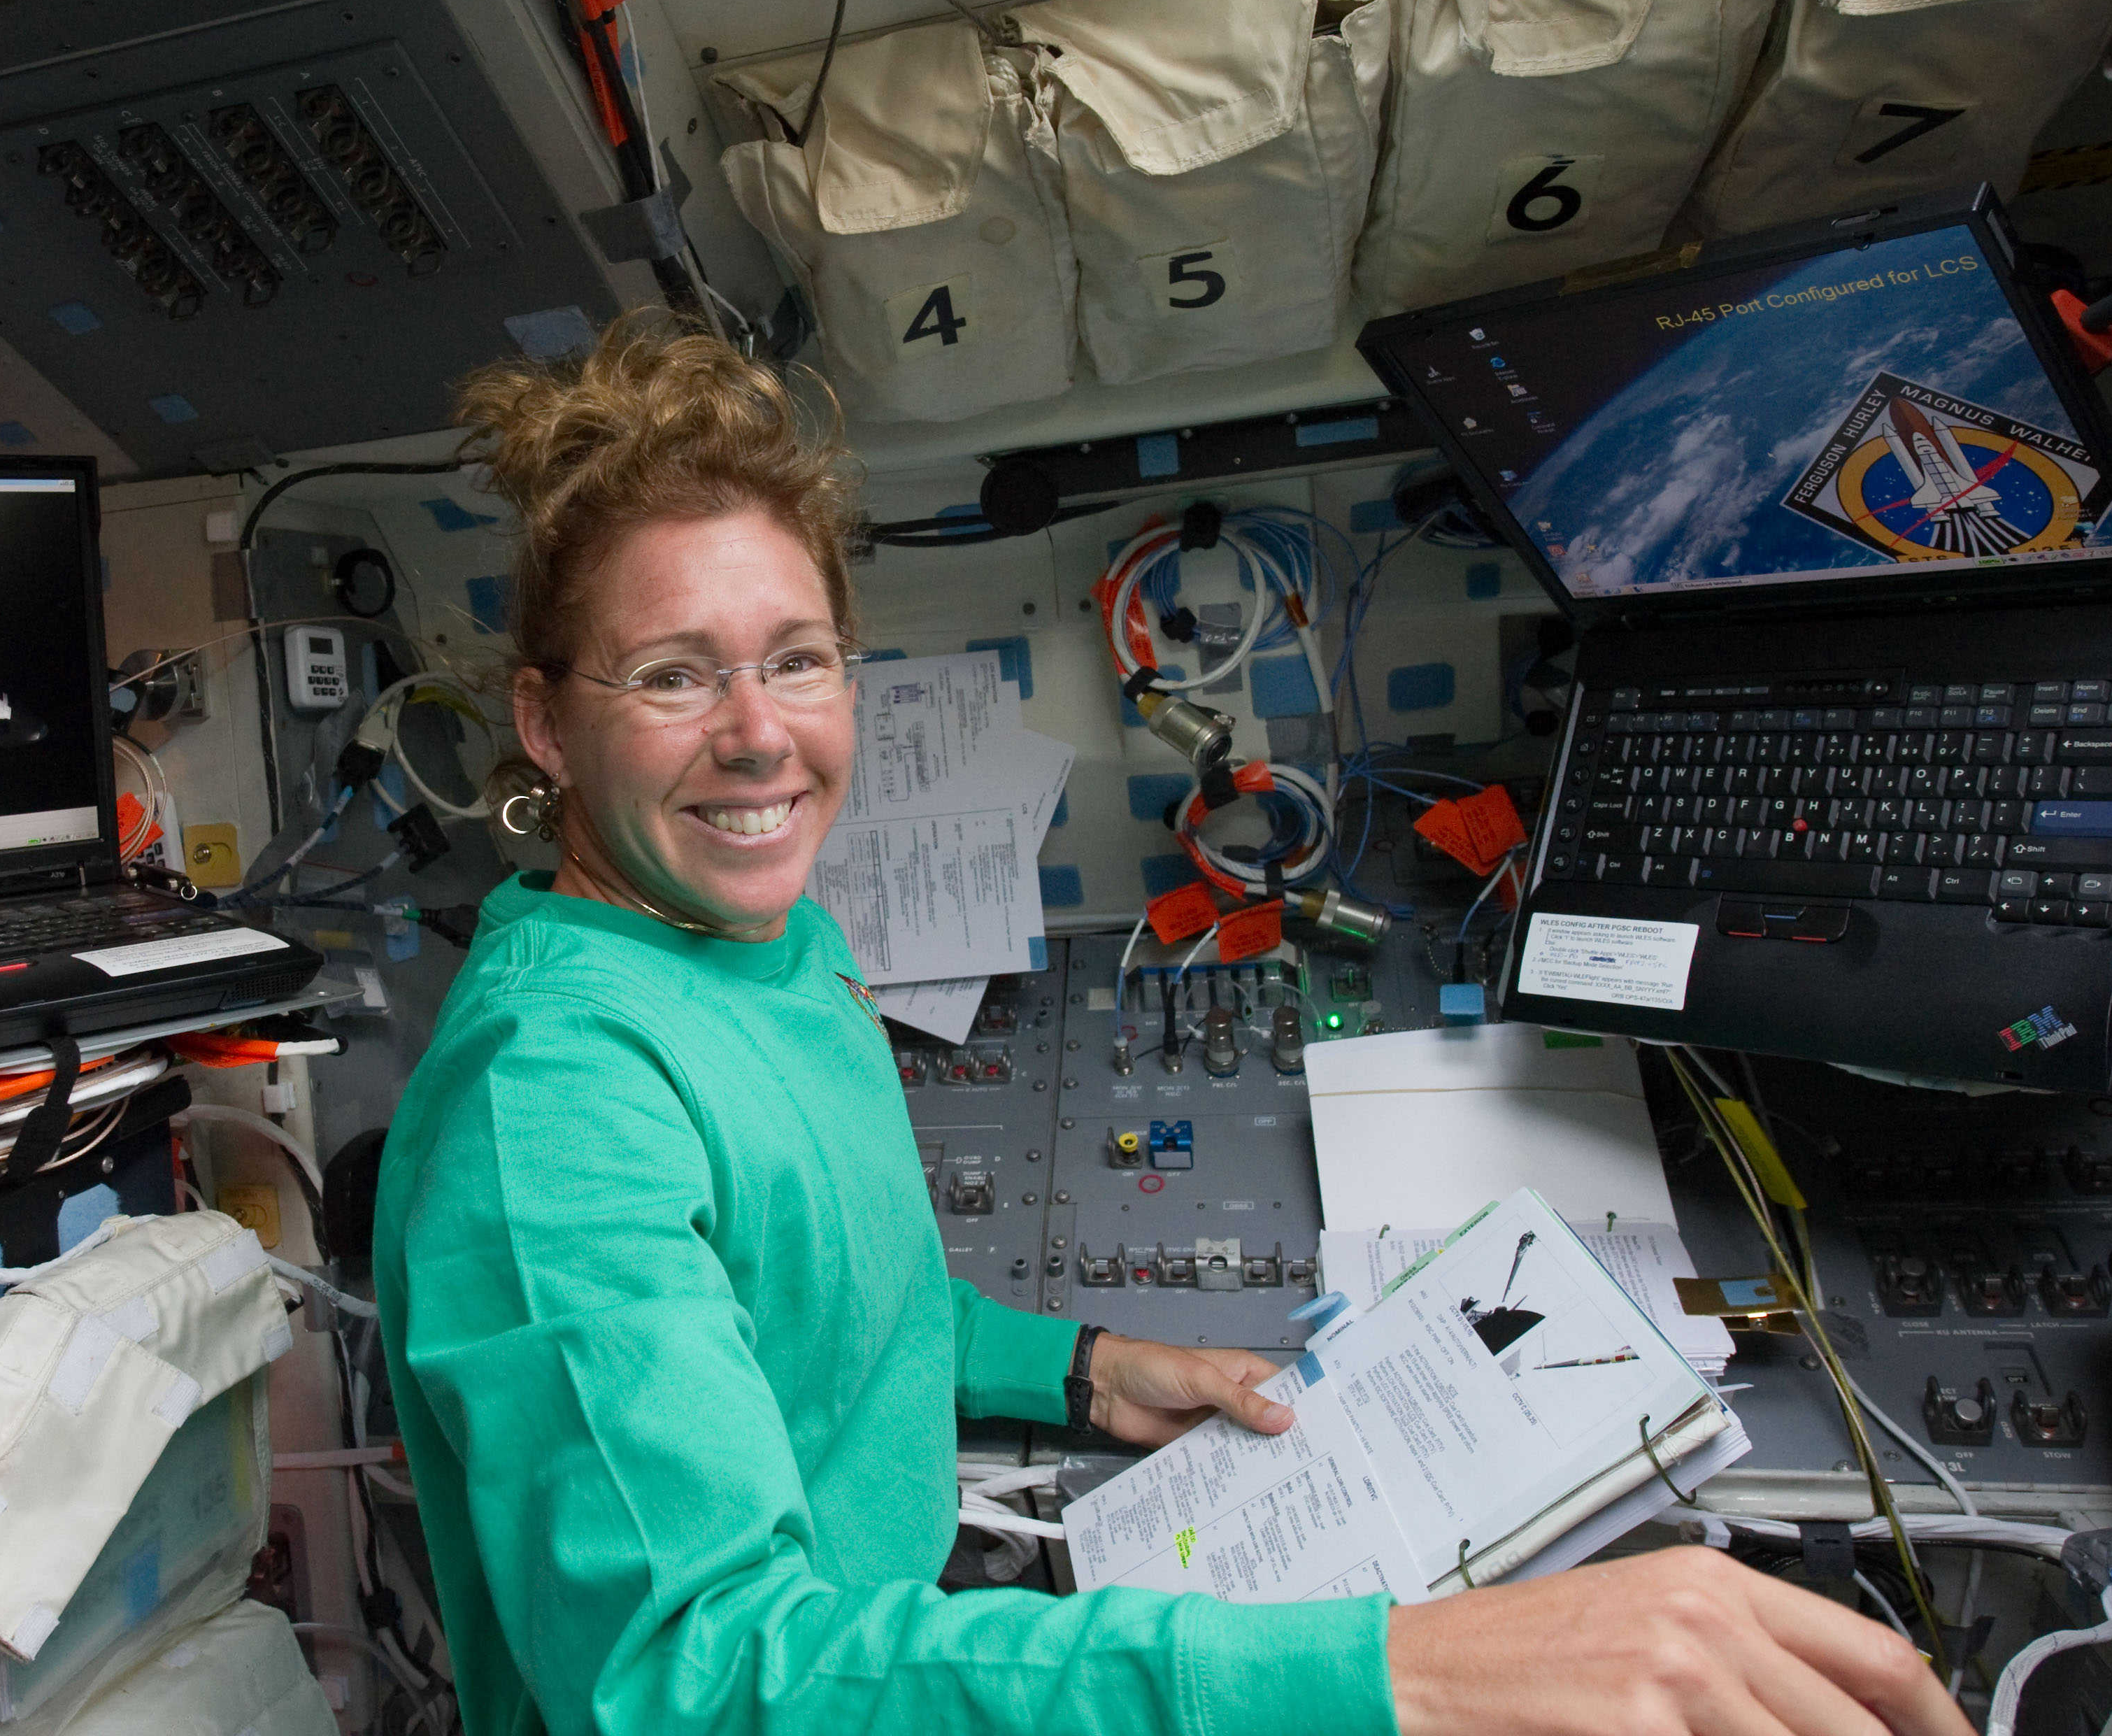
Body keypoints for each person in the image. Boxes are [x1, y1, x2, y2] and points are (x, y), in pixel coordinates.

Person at [372, 311, 1969, 1736]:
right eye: (670, 675)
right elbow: (691, 1686)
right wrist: (1399, 1675)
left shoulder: (759, 941)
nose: (757, 738)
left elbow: (816, 1309)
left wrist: (1076, 1367)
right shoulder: (554, 1094)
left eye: (797, 661)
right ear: (543, 722)